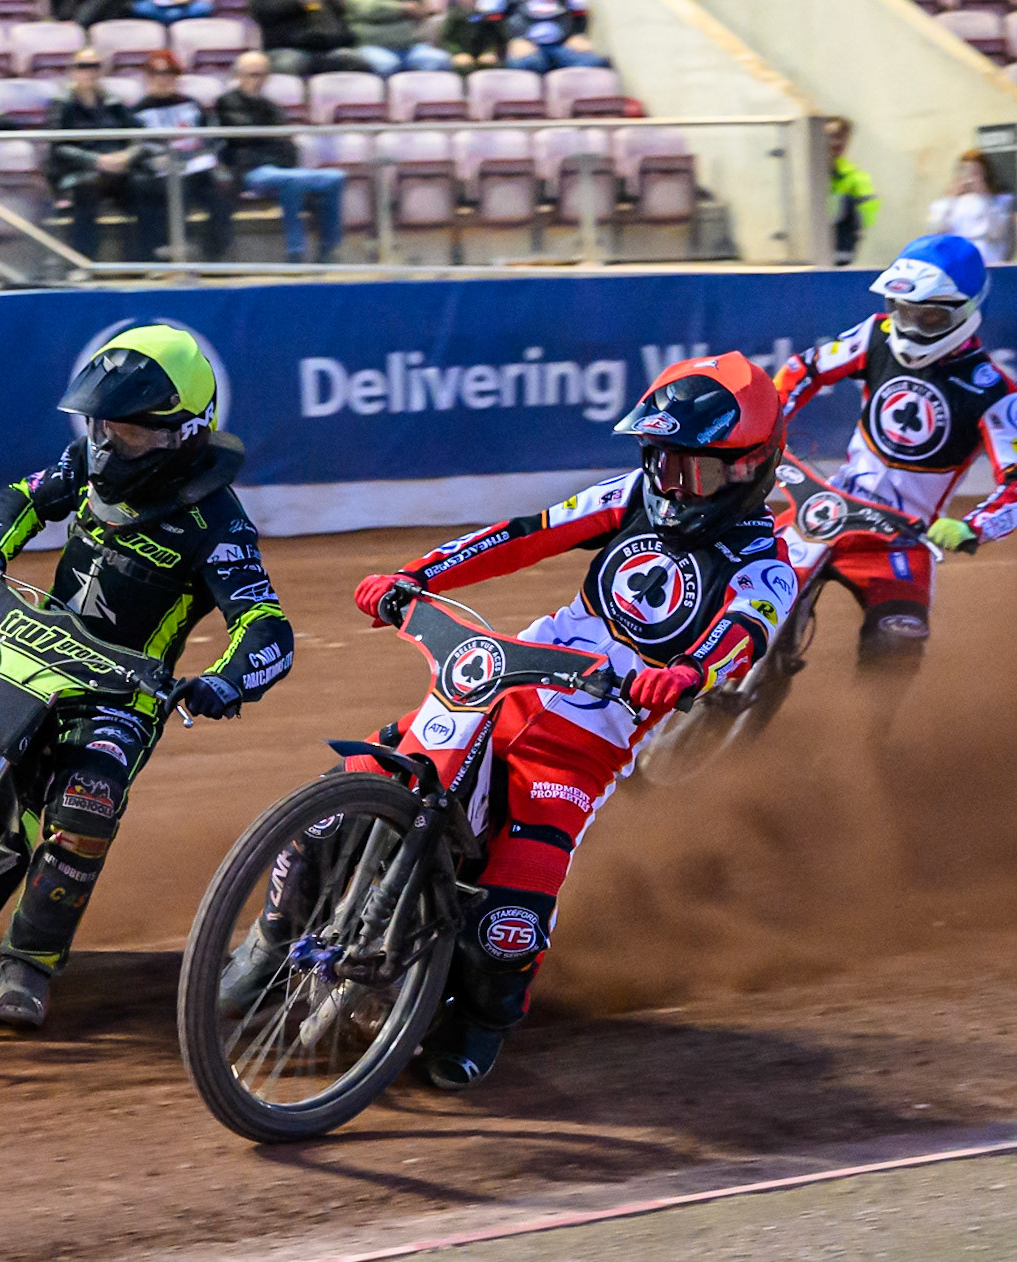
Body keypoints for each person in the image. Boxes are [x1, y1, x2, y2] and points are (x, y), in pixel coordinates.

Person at [228, 352, 794, 1088]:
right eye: (659, 460)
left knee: (513, 907)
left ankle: (484, 1017)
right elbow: (523, 534)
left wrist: (687, 674)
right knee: (338, 797)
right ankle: (268, 944)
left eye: (694, 470)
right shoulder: (629, 495)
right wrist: (418, 577)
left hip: (589, 737)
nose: (669, 482)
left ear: (749, 468)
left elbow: (742, 635)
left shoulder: (765, 563)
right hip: (507, 673)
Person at [0, 326, 294, 1025]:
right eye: (102, 427)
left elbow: (267, 629)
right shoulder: (86, 461)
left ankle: (28, 963)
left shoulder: (217, 522)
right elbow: (24, 497)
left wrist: (225, 681)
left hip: (122, 695)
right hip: (32, 649)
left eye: (130, 434)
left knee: (85, 810)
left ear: (183, 433)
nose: (108, 445)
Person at [773, 235, 1017, 694]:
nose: (908, 325)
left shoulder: (995, 393)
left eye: (928, 316)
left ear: (962, 312)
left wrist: (974, 527)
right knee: (741, 578)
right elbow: (804, 369)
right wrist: (766, 422)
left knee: (895, 648)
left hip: (901, 538)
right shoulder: (875, 334)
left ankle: (864, 749)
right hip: (828, 507)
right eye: (901, 309)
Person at [215, 51, 344, 264]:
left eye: (260, 75)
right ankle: (295, 251)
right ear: (238, 75)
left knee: (335, 178)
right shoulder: (227, 102)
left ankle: (328, 249)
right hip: (250, 170)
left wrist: (272, 141)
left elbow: (286, 145)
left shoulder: (273, 106)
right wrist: (272, 138)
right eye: (250, 75)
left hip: (280, 169)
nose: (256, 80)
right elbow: (242, 134)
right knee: (291, 180)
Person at [46, 47, 156, 262]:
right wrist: (96, 161)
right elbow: (58, 148)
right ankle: (85, 263)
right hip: (80, 172)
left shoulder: (114, 103)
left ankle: (145, 260)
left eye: (95, 66)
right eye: (83, 67)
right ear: (73, 71)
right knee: (87, 189)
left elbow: (141, 138)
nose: (90, 72)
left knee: (145, 185)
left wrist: (127, 157)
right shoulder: (62, 104)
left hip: (117, 169)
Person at [132, 49, 232, 261]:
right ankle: (172, 256)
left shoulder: (192, 105)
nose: (162, 80)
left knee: (222, 190)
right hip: (161, 172)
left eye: (168, 74)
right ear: (147, 78)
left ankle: (214, 257)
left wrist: (212, 158)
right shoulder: (136, 112)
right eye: (156, 74)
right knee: (177, 190)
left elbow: (211, 139)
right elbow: (137, 148)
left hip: (197, 167)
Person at [927, 150, 1013, 265]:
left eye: (975, 173)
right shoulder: (944, 204)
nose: (969, 180)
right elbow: (935, 232)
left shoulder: (1000, 202)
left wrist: (985, 196)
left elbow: (997, 233)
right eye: (965, 173)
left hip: (987, 259)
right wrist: (952, 200)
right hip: (955, 260)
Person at [249, 0, 375, 78]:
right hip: (287, 48)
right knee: (290, 63)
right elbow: (263, 11)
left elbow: (338, 28)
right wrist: (297, 4)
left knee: (354, 60)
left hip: (326, 49)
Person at [501, 0, 606, 73]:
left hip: (562, 43)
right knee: (526, 64)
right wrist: (512, 40)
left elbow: (579, 13)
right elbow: (492, 19)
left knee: (593, 62)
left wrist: (577, 35)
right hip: (524, 44)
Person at [827, 116, 875, 268]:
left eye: (841, 138)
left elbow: (867, 218)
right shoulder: (804, 173)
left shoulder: (857, 177)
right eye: (830, 136)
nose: (836, 143)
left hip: (841, 256)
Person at [428, 0, 509, 72]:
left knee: (489, 64)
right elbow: (447, 40)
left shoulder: (489, 17)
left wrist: (489, 52)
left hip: (485, 56)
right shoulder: (453, 19)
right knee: (463, 66)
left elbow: (497, 40)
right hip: (460, 55)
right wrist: (457, 53)